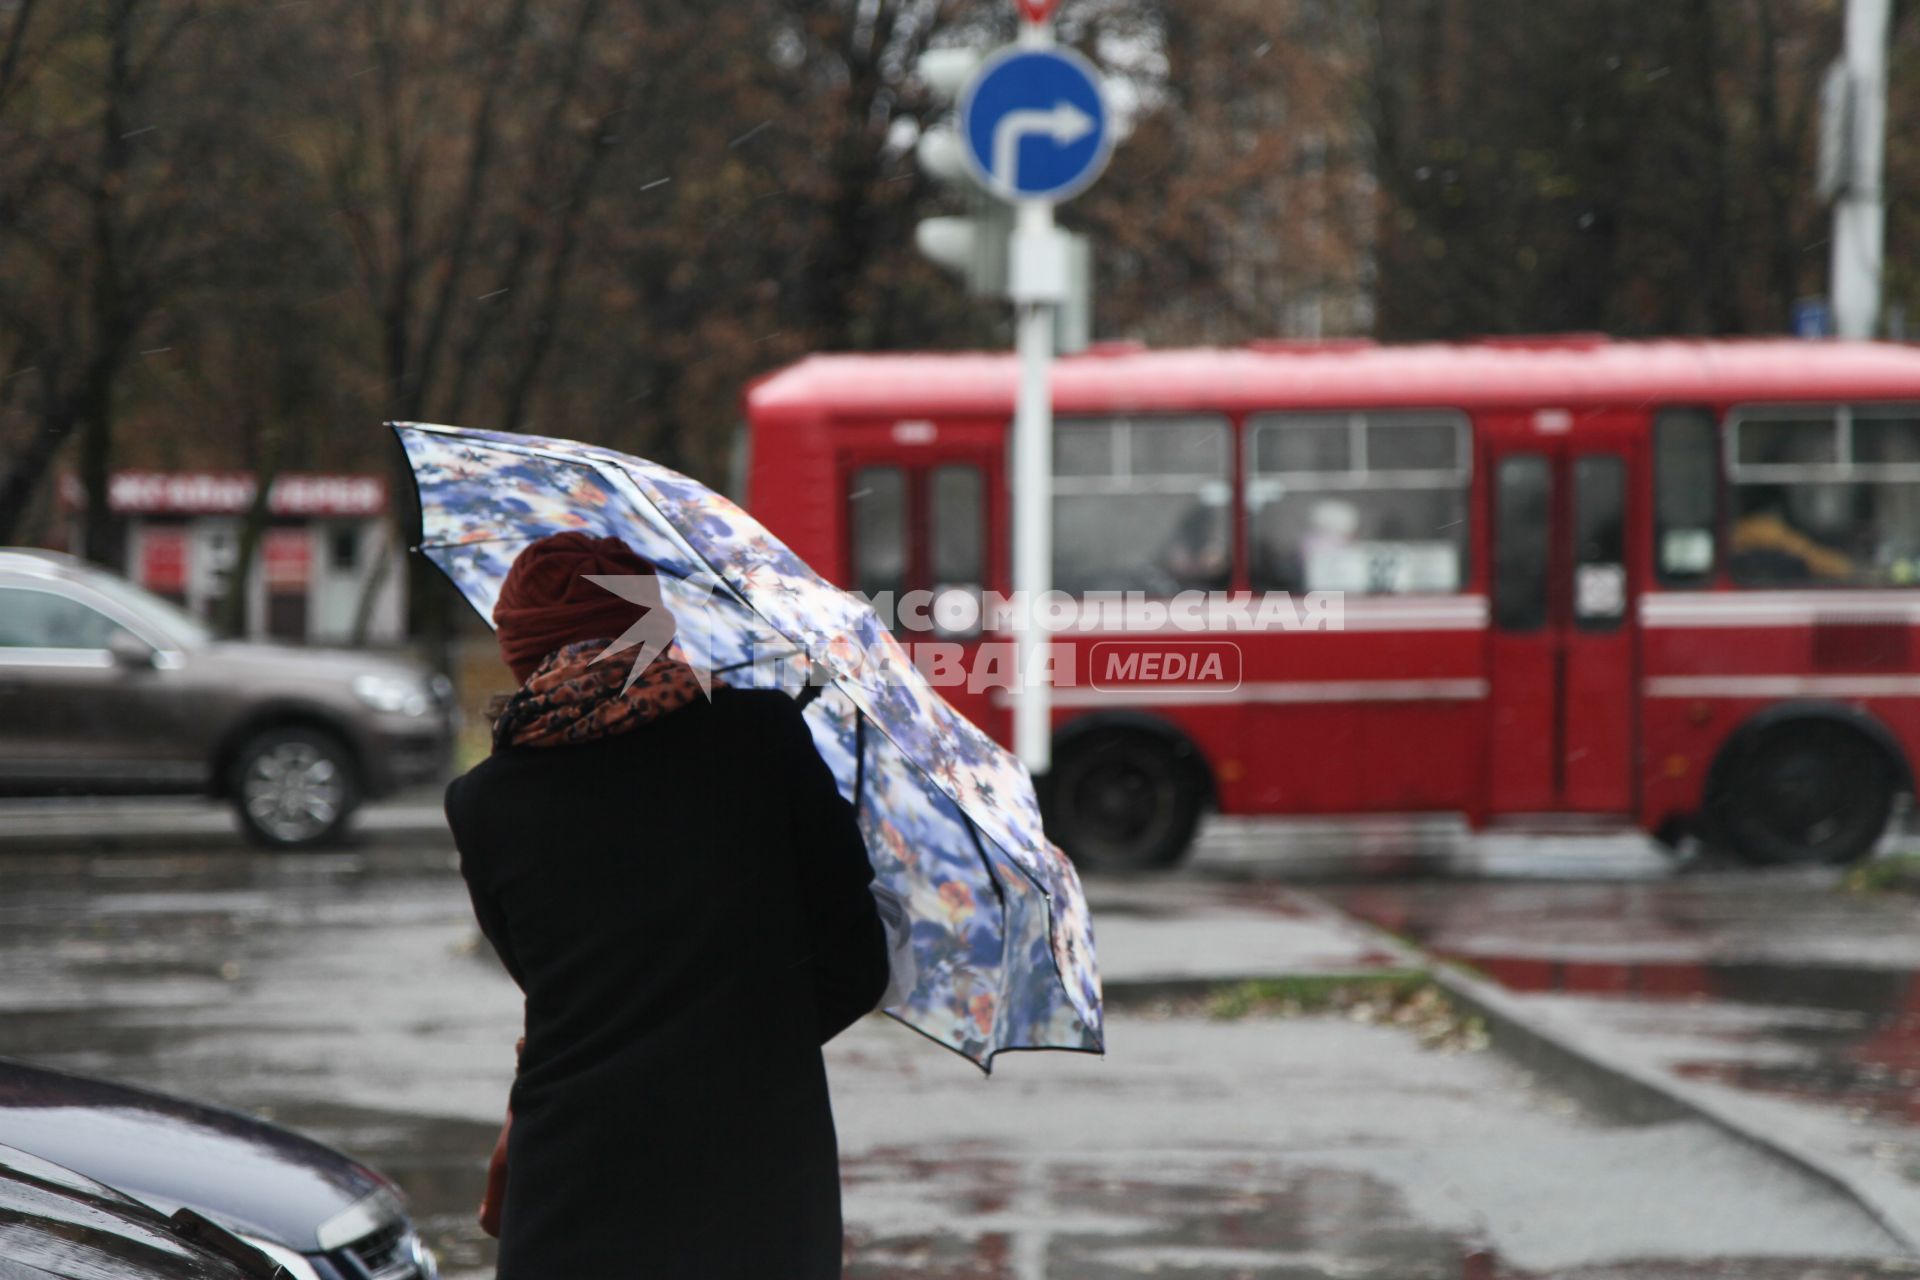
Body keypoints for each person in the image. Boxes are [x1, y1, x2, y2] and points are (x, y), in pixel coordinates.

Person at [444, 531, 890, 1280]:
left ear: (519, 650)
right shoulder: (760, 737)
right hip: (757, 1183)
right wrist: (748, 1042)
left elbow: (545, 983)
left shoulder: (484, 802)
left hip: (571, 1191)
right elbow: (856, 963)